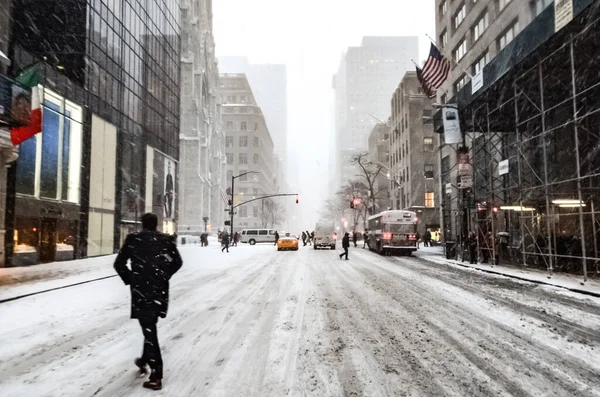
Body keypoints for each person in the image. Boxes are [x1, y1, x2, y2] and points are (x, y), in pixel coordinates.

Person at [113, 213, 183, 391]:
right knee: (150, 325)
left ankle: (156, 375)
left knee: (149, 329)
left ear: (142, 224)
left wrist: (132, 278)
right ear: (156, 224)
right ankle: (144, 360)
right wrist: (164, 275)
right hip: (159, 290)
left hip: (141, 290)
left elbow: (119, 264)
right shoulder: (166, 240)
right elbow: (177, 262)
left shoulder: (133, 239)